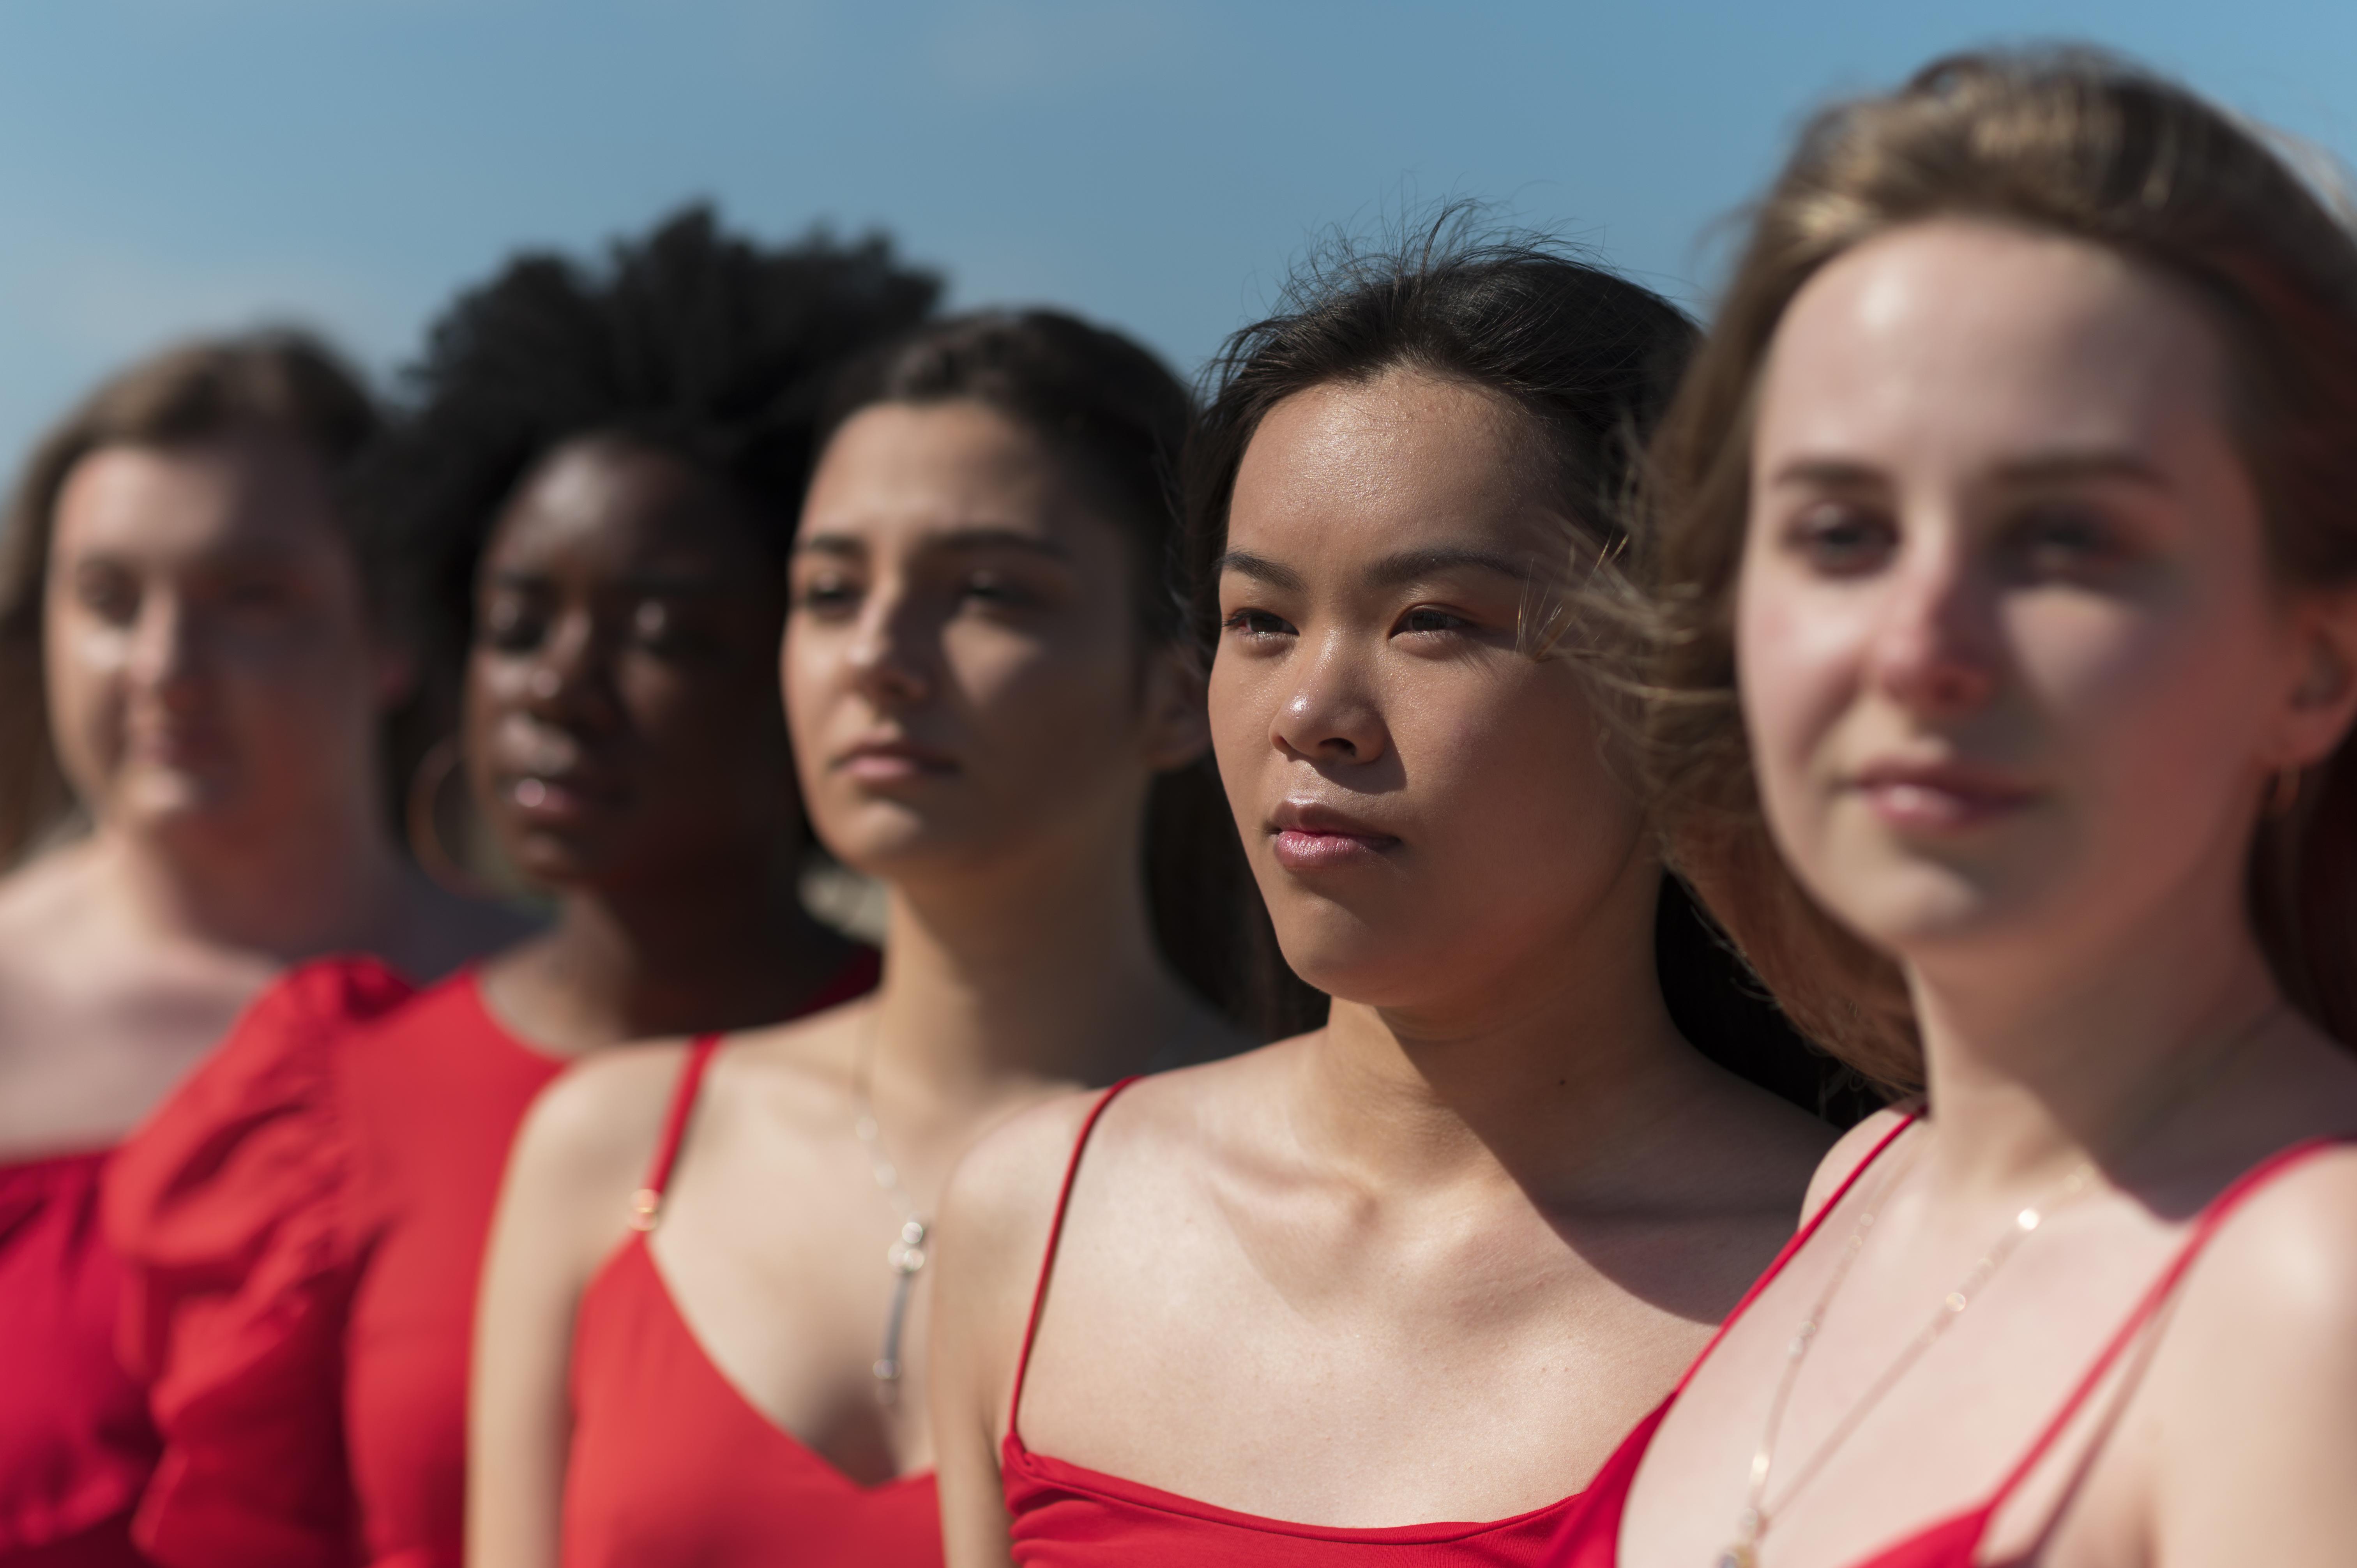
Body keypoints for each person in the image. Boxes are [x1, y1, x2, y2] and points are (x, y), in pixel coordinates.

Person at [1552, 49, 2357, 1568]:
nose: (1923, 645)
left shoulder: (2313, 1296)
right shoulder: (1863, 1182)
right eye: (1842, 531)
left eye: (2063, 539)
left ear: (2313, 661)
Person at [928, 233, 1841, 1567]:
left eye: (1433, 620)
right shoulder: (1037, 1218)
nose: (1312, 714)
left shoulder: (1864, 1275)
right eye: (1260, 623)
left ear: (1682, 682)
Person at [103, 210, 938, 1568]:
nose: (558, 684)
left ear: (819, 656)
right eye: (515, 623)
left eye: (662, 630)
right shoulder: (328, 1112)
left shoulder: (982, 1093)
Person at [469, 308, 1262, 1568]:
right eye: (831, 592)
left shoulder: (1310, 1191)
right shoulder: (606, 1150)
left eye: (990, 592)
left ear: (1178, 690)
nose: (879, 657)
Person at [0, 333, 521, 1568]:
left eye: (250, 597)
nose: (166, 668)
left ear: (390, 627)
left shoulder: (553, 1013)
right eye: (109, 600)